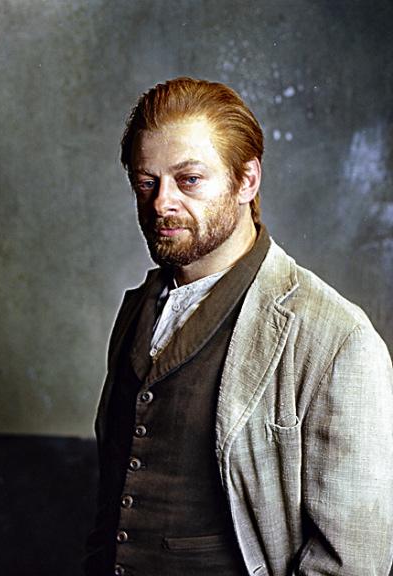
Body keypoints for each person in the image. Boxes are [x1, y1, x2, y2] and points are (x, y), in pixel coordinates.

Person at [84, 77, 393, 576]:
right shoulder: (137, 309)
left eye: (189, 179)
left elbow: (353, 561)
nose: (161, 203)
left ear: (247, 179)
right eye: (146, 183)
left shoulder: (337, 338)